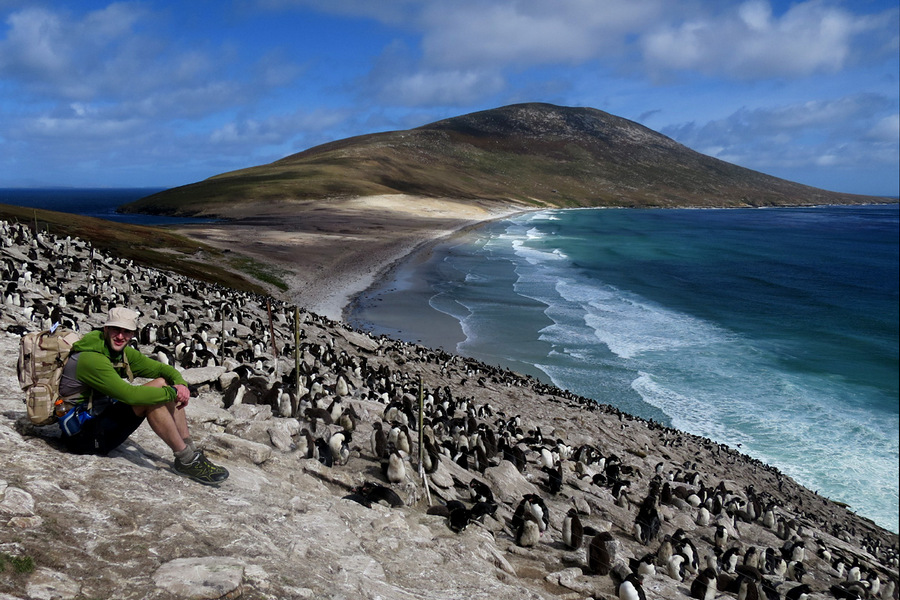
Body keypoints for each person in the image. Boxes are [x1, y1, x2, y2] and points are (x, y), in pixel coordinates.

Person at [57, 307, 228, 485]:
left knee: (163, 383)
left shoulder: (117, 351)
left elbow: (163, 369)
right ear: (106, 329)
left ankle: (191, 453)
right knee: (153, 399)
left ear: (133, 334)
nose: (120, 336)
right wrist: (174, 392)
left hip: (97, 420)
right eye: (116, 329)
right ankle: (186, 460)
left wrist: (180, 384)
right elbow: (130, 395)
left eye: (126, 332)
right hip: (81, 437)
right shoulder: (91, 359)